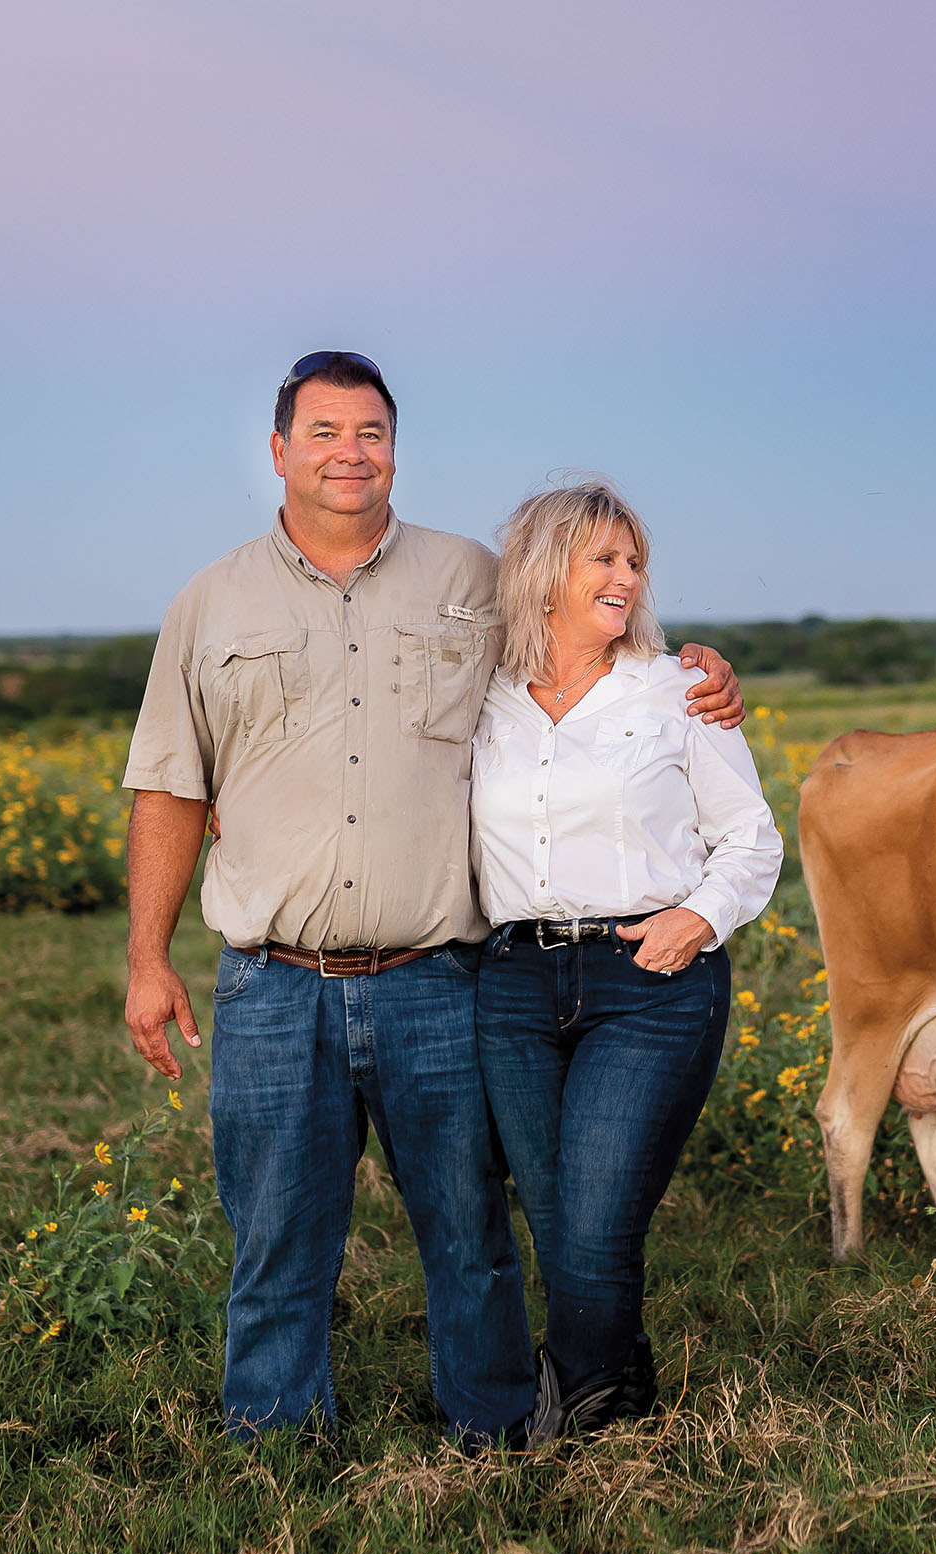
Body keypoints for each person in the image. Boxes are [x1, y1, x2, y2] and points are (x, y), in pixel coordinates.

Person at [121, 353, 743, 1443]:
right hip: (273, 982)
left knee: (468, 1228)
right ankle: (273, 1439)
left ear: (395, 449)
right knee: (277, 1228)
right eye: (323, 432)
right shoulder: (209, 604)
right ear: (278, 451)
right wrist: (146, 956)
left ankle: (495, 1427)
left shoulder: (472, 580)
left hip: (441, 979)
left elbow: (589, 647)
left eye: (370, 431)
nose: (349, 452)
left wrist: (698, 669)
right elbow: (172, 786)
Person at [471, 479, 781, 1441]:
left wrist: (700, 917)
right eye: (602, 558)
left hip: (647, 978)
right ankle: (622, 1384)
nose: (626, 577)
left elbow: (754, 839)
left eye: (634, 560)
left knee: (599, 1226)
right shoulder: (481, 699)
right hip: (515, 980)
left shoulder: (676, 691)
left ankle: (581, 1422)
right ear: (542, 570)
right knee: (560, 1224)